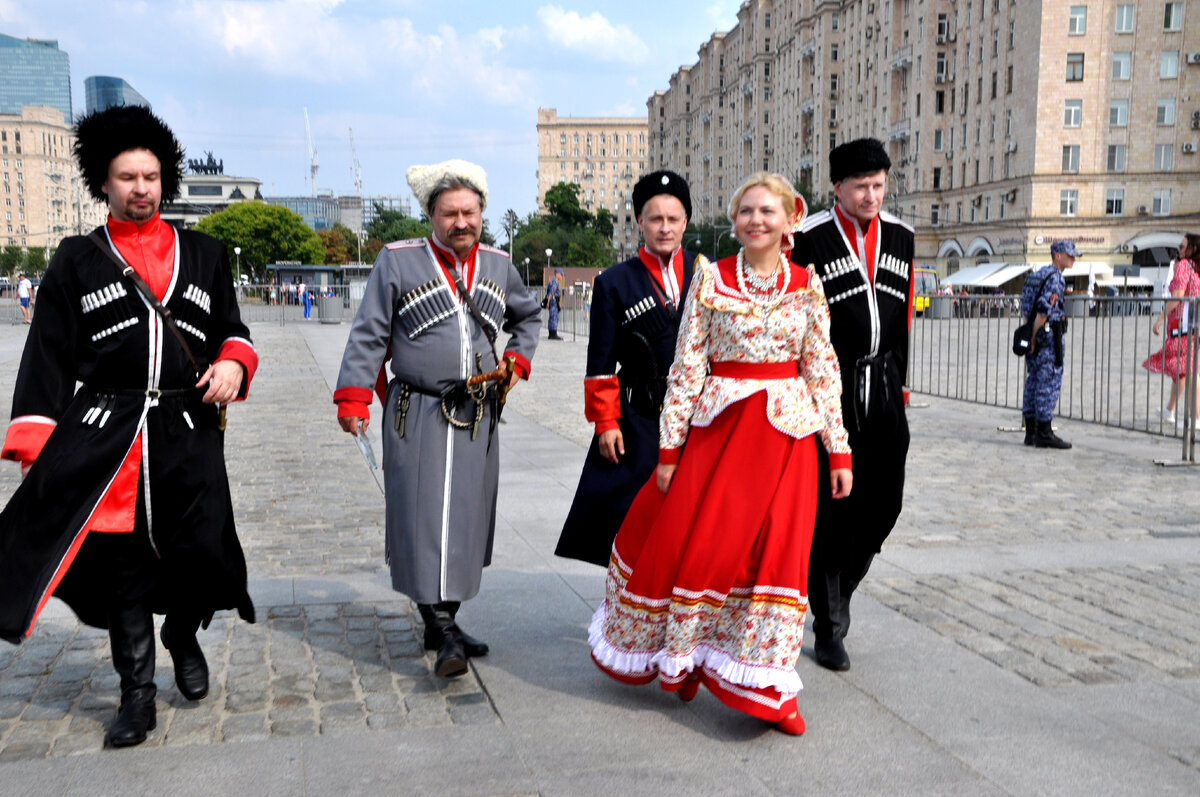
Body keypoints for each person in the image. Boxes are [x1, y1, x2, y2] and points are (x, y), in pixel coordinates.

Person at [0, 105, 258, 748]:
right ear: (104, 183)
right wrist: (36, 443)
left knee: (199, 548)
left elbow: (234, 328)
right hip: (109, 436)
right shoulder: (75, 260)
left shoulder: (204, 252)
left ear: (164, 179)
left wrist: (233, 361)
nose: (141, 188)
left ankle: (182, 633)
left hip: (188, 430)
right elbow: (49, 355)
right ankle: (136, 694)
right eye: (126, 177)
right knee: (123, 568)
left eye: (150, 176)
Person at [589, 173, 852, 736]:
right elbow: (687, 369)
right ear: (734, 221)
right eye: (746, 212)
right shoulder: (710, 281)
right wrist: (669, 449)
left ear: (788, 220)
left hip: (789, 443)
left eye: (767, 211)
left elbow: (823, 372)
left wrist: (839, 451)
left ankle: (769, 689)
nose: (756, 220)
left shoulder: (808, 284)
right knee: (706, 551)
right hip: (720, 438)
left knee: (777, 559)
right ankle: (688, 655)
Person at [334, 159, 540, 678]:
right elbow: (369, 332)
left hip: (477, 414)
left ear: (482, 212)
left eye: (469, 211)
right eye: (450, 213)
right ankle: (444, 631)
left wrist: (517, 359)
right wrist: (354, 396)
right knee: (421, 517)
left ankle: (441, 620)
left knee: (466, 520)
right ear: (431, 214)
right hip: (417, 410)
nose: (461, 222)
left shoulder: (497, 264)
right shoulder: (397, 260)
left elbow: (528, 315)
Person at [790, 137, 914, 672]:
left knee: (885, 503)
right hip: (830, 392)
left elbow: (904, 318)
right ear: (837, 187)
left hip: (884, 387)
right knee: (832, 512)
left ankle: (841, 587)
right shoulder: (810, 238)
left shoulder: (903, 237)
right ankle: (828, 626)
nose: (871, 194)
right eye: (861, 185)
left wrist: (902, 387)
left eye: (879, 184)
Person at [556, 170, 700, 566]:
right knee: (630, 517)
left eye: (673, 219)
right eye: (655, 219)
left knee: (691, 520)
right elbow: (600, 364)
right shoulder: (614, 283)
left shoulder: (710, 274)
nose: (665, 228)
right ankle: (626, 605)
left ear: (686, 221)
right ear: (639, 222)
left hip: (695, 419)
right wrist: (606, 423)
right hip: (637, 418)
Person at [1020, 241, 1076, 449]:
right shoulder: (1055, 279)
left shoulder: (1035, 276)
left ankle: (1031, 431)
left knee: (1033, 380)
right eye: (1069, 255)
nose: (1073, 259)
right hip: (1048, 336)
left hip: (1033, 333)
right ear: (1057, 255)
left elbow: (1027, 309)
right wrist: (1034, 336)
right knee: (1048, 382)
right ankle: (1044, 432)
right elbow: (1044, 311)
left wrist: (1028, 334)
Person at [1143, 233, 1200, 425]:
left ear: (1193, 249)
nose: (1179, 250)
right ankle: (1170, 409)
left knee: (1188, 370)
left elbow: (1176, 295)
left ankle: (1196, 418)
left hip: (1182, 326)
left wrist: (1159, 319)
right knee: (1183, 369)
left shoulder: (1185, 266)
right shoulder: (1197, 269)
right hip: (1194, 325)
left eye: (1182, 247)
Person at [546, 270, 563, 339]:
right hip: (553, 301)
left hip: (552, 301)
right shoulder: (555, 282)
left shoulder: (551, 281)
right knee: (554, 318)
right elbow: (552, 292)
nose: (562, 276)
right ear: (557, 274)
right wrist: (548, 301)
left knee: (551, 317)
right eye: (561, 274)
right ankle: (553, 334)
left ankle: (551, 334)